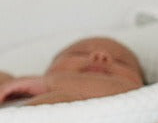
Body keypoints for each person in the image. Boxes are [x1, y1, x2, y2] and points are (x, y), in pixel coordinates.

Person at [0, 36, 145, 107]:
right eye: (79, 53)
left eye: (121, 62)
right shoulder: (19, 85)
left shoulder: (137, 96)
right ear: (49, 68)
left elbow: (125, 90)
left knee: (63, 98)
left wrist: (49, 83)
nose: (100, 55)